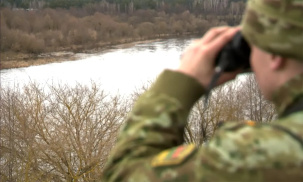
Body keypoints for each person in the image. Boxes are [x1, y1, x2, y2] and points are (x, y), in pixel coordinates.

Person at [102, 0, 303, 181]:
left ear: (275, 55)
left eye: (250, 46)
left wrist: (181, 83)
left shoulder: (262, 156)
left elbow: (124, 173)